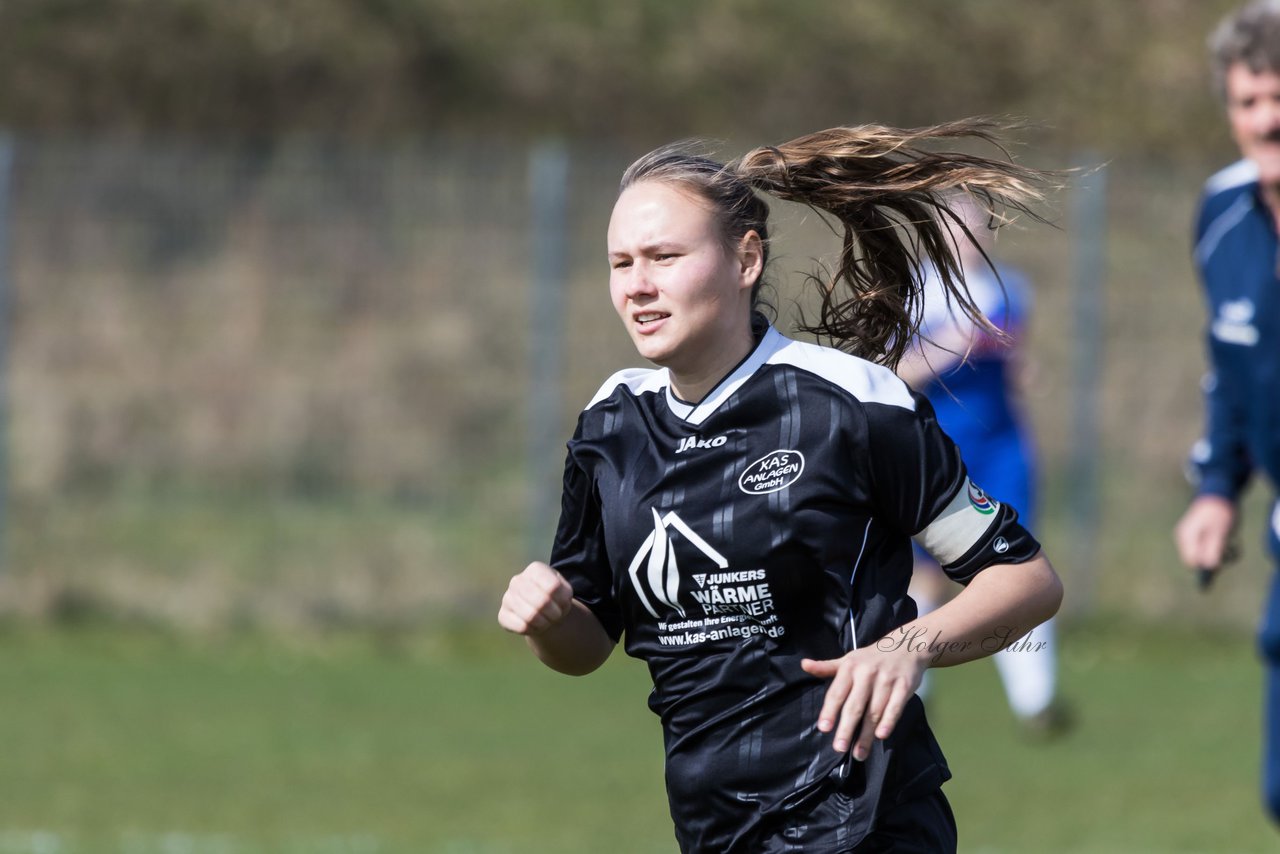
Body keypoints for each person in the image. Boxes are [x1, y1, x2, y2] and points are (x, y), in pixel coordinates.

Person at [498, 120, 1064, 853]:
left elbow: (1025, 580)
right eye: (621, 262)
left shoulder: (851, 405)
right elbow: (585, 646)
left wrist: (910, 645)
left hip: (863, 820)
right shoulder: (612, 425)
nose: (638, 285)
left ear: (745, 260)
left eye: (665, 257)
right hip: (713, 827)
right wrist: (549, 621)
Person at [897, 201, 1068, 737]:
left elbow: (1014, 360)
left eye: (980, 226)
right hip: (943, 445)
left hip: (1004, 445)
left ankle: (1036, 702)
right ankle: (909, 686)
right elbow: (897, 372)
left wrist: (1025, 371)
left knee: (1020, 561)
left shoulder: (1011, 288)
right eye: (958, 226)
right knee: (927, 572)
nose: (971, 236)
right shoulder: (917, 292)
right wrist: (949, 345)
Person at [1175, 0, 1280, 823]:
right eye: (1250, 101)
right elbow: (1232, 371)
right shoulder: (1222, 214)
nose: (1268, 118)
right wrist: (1216, 487)